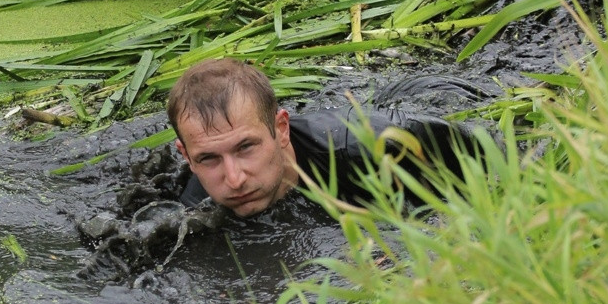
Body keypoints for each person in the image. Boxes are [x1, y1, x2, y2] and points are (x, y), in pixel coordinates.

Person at [166, 58, 480, 217]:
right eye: (209, 158)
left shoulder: (371, 150)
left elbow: (492, 161)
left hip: (439, 97)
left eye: (246, 147)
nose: (233, 179)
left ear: (281, 130)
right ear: (186, 156)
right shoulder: (196, 206)